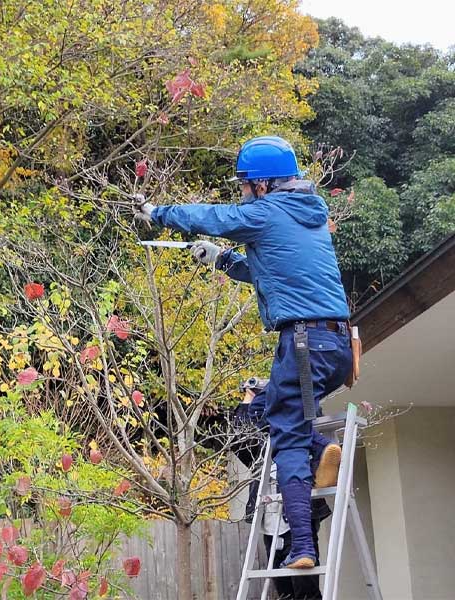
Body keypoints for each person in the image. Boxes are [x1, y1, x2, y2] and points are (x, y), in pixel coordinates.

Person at [134, 135, 352, 569]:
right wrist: (220, 259)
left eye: (246, 185)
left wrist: (158, 213)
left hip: (303, 342)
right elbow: (266, 269)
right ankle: (319, 448)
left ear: (264, 184)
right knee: (274, 411)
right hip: (337, 345)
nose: (243, 193)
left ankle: (303, 546)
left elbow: (218, 216)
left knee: (285, 436)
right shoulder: (307, 217)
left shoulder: (267, 211)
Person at [234, 380, 326, 599]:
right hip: (270, 525)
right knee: (284, 592)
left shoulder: (299, 436)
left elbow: (312, 414)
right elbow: (239, 439)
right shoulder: (262, 451)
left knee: (306, 591)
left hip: (297, 521)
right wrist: (249, 399)